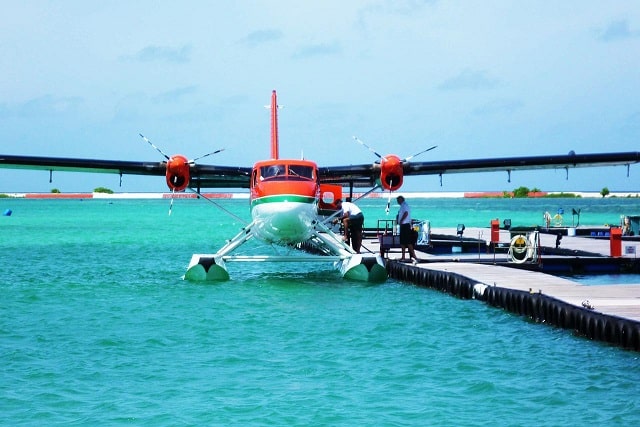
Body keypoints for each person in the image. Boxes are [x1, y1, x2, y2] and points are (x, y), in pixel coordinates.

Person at [396, 195, 418, 263]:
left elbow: (406, 213)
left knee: (408, 242)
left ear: (401, 200)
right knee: (402, 242)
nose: (397, 202)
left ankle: (414, 256)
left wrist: (401, 220)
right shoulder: (403, 205)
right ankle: (403, 256)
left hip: (405, 225)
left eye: (398, 200)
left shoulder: (404, 205)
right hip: (404, 225)